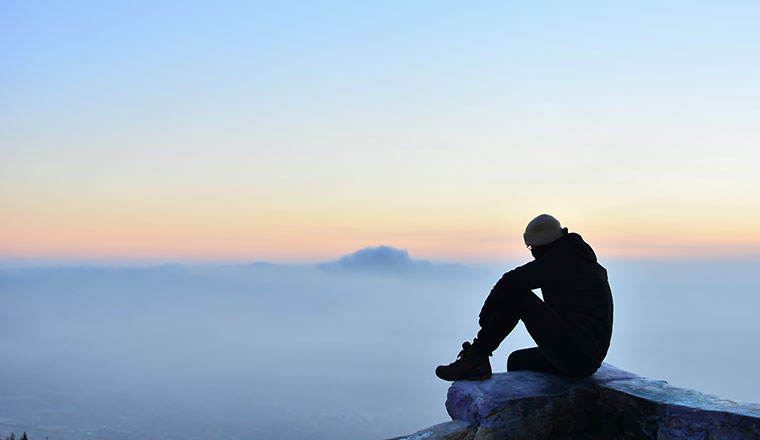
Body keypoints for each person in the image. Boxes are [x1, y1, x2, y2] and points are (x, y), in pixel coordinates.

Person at [435, 214, 613, 381]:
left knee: (518, 296)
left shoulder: (562, 261)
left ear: (540, 245)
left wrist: (486, 314)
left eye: (532, 247)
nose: (532, 252)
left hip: (578, 356)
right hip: (585, 358)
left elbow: (511, 281)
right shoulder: (579, 260)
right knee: (517, 361)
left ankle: (476, 359)